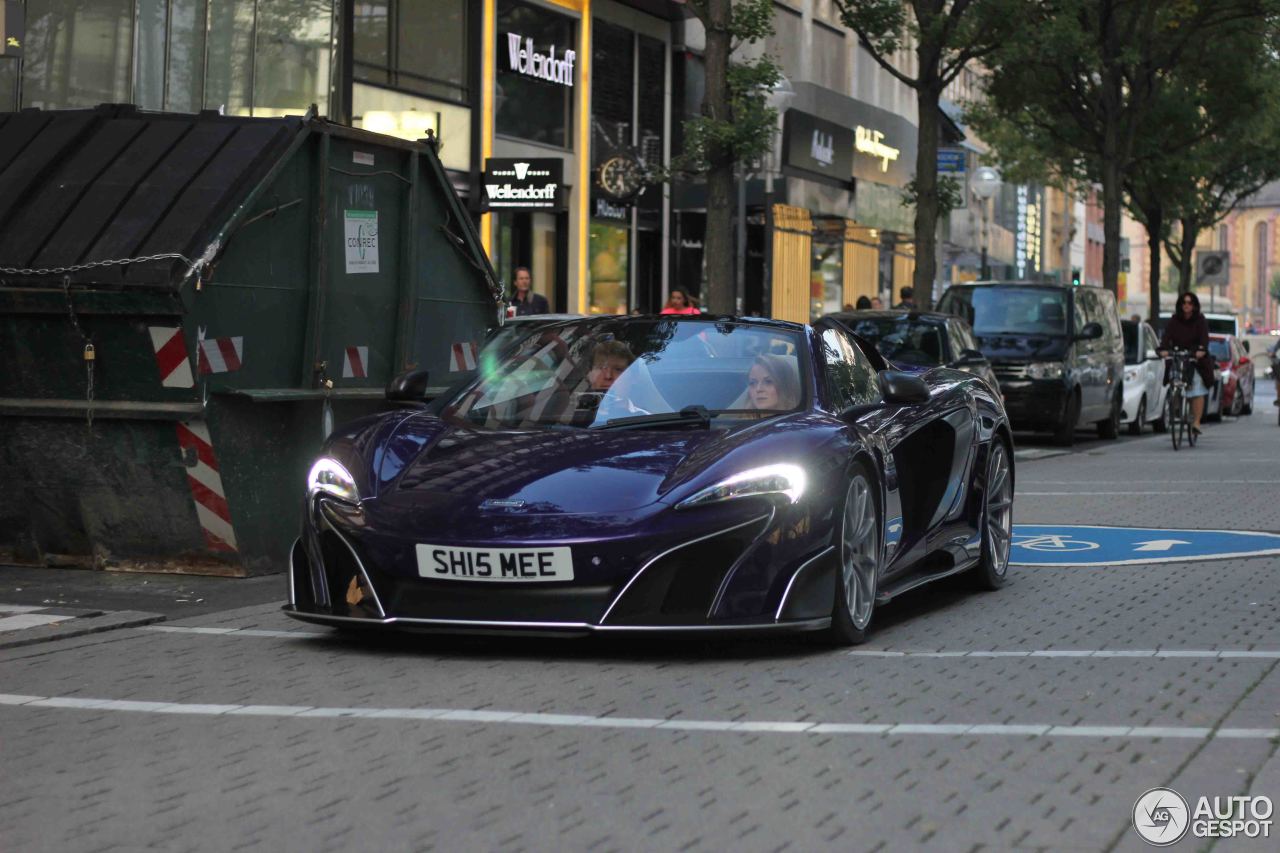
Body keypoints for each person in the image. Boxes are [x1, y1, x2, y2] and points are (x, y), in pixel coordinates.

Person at [1158, 291, 1214, 435]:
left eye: (1190, 303)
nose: (1186, 305)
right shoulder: (1174, 320)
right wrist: (1163, 349)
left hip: (1194, 358)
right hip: (1178, 356)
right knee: (1174, 379)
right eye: (1184, 302)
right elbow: (1166, 337)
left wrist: (1201, 350)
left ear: (1194, 306)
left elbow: (1204, 338)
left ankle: (1196, 422)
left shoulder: (1200, 320)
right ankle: (1176, 406)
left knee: (1197, 386)